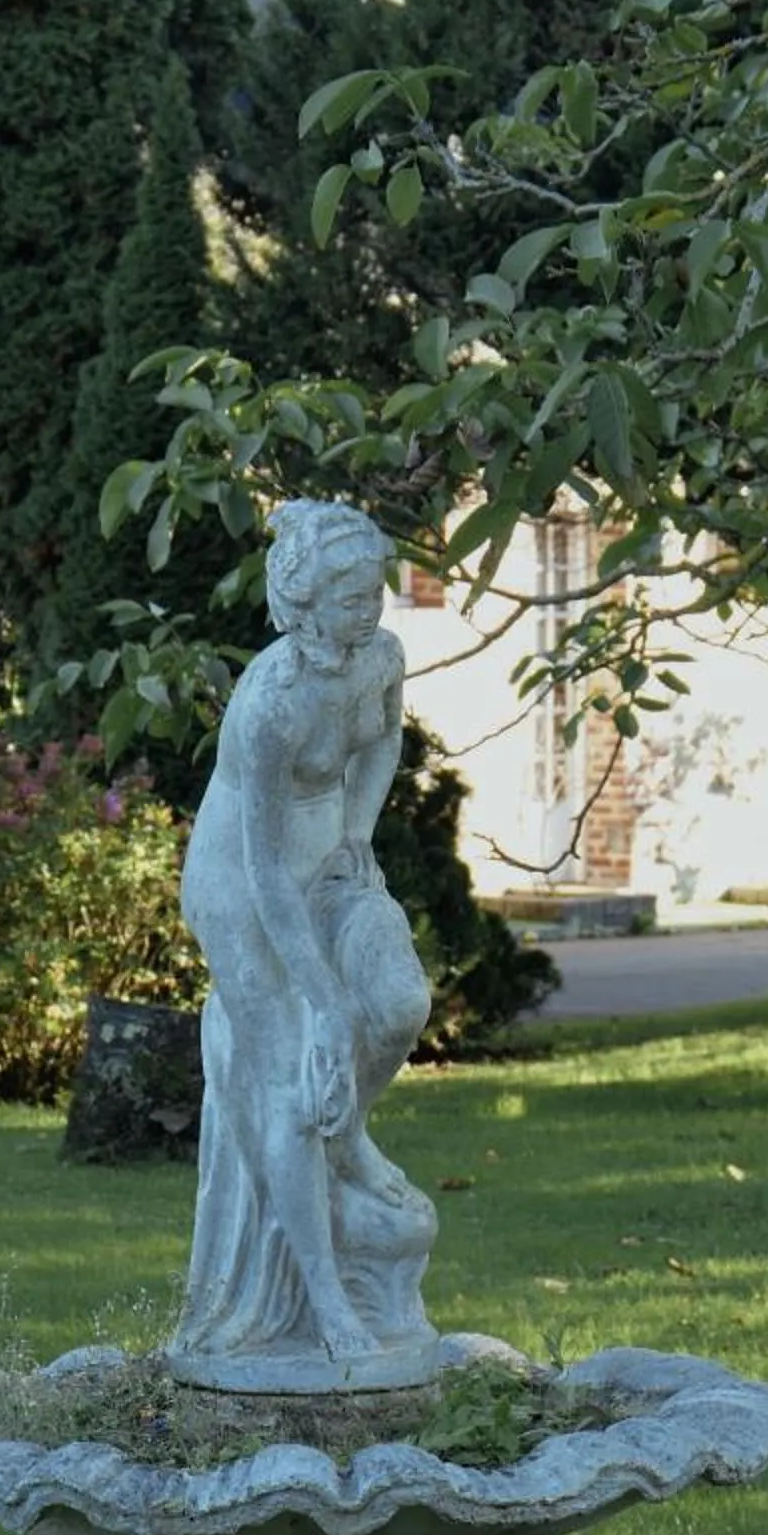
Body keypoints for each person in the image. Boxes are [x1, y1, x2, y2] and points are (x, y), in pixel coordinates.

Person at [168, 498, 442, 1390]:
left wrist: (360, 833)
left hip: (327, 849)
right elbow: (260, 870)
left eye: (376, 591)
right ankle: (324, 1296)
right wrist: (320, 997)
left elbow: (385, 741)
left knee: (401, 1002)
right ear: (305, 603)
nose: (373, 608)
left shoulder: (382, 660)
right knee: (292, 1070)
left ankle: (350, 1137)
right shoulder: (270, 704)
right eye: (353, 595)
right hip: (244, 886)